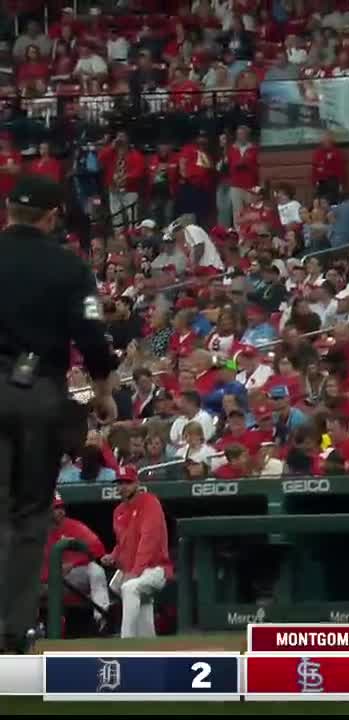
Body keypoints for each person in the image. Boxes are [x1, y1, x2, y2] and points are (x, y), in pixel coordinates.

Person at [0, 175, 117, 654]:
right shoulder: (69, 267)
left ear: (8, 210)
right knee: (29, 517)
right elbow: (91, 336)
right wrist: (104, 390)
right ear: (51, 218)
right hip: (35, 394)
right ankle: (8, 635)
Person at [101, 467, 172, 639]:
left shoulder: (149, 502)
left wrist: (134, 572)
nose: (123, 487)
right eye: (120, 483)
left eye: (127, 482)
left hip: (156, 568)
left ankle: (127, 641)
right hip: (135, 569)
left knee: (130, 587)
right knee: (128, 592)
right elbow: (123, 543)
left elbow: (148, 540)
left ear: (137, 483)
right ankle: (148, 643)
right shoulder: (118, 511)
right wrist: (113, 555)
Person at [42, 492, 110, 632]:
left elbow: (97, 549)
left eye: (61, 507)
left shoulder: (74, 526)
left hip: (72, 578)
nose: (60, 511)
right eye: (55, 508)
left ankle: (101, 618)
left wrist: (74, 562)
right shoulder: (37, 532)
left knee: (96, 571)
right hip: (45, 582)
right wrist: (53, 573)